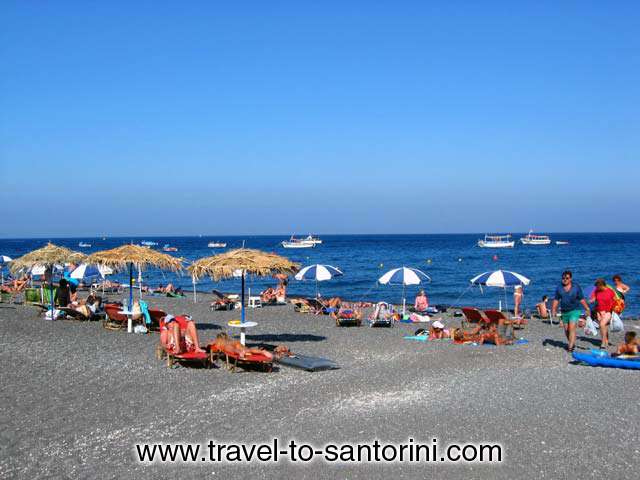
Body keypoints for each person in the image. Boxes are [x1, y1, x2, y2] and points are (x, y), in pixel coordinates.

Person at [551, 271, 591, 352]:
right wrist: (553, 309)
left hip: (575, 310)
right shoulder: (559, 288)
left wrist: (587, 308)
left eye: (567, 278)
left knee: (572, 327)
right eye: (563, 278)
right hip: (564, 311)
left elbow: (581, 299)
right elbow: (556, 300)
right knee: (566, 330)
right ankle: (571, 342)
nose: (565, 280)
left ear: (570, 279)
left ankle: (570, 347)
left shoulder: (576, 287)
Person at [591, 278, 616, 349]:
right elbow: (593, 298)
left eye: (597, 286)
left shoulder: (610, 291)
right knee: (603, 326)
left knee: (602, 324)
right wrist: (591, 301)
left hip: (608, 312)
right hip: (599, 311)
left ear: (601, 285)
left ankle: (603, 343)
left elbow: (614, 301)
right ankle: (606, 341)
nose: (596, 288)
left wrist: (610, 310)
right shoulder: (596, 291)